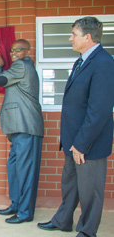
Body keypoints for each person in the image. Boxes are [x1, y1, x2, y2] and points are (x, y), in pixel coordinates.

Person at [37, 17, 114, 237]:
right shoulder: (81, 60)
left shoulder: (103, 62)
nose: (70, 38)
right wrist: (67, 137)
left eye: (73, 34)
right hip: (73, 139)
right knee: (69, 184)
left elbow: (99, 110)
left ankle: (87, 231)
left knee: (91, 191)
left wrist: (81, 143)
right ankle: (63, 220)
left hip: (88, 143)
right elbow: (76, 103)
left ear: (87, 37)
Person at [0, 39, 44, 224]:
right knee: (14, 167)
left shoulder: (21, 66)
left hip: (27, 126)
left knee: (25, 171)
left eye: (18, 50)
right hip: (18, 128)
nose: (14, 52)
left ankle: (25, 212)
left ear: (27, 52)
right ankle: (16, 204)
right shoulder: (20, 66)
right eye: (11, 49)